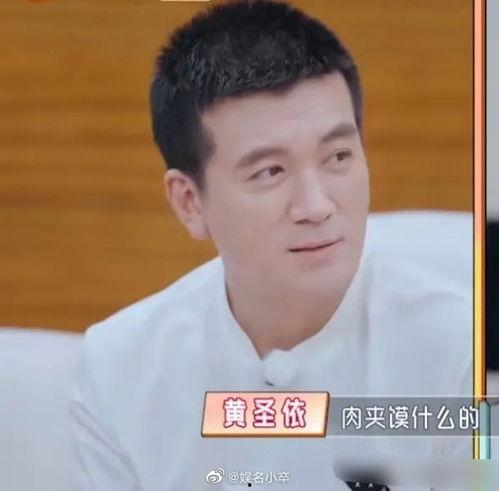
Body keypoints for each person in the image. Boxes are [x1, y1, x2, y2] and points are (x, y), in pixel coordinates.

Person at [70, 1, 472, 490]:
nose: (317, 206)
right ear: (190, 202)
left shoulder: (459, 351)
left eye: (338, 156)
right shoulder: (119, 367)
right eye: (270, 171)